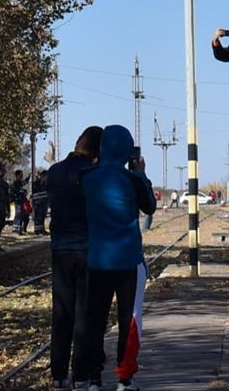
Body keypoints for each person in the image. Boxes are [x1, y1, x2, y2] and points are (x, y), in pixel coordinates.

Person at [82, 125, 156, 391]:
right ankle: (125, 380)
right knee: (130, 320)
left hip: (97, 260)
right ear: (126, 149)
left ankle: (93, 379)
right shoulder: (133, 180)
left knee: (95, 320)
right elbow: (149, 206)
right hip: (129, 260)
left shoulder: (86, 178)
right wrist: (141, 173)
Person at [48, 126, 102, 389]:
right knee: (84, 315)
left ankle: (58, 375)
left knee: (61, 314)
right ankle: (79, 375)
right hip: (87, 251)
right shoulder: (93, 174)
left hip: (60, 250)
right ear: (97, 153)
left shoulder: (55, 171)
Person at [11, 168, 29, 234]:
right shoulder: (15, 183)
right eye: (21, 174)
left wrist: (28, 178)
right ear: (17, 175)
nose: (22, 176)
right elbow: (16, 191)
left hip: (21, 201)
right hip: (17, 201)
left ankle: (19, 230)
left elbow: (24, 182)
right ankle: (15, 230)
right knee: (18, 215)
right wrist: (22, 192)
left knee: (21, 215)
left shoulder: (19, 182)